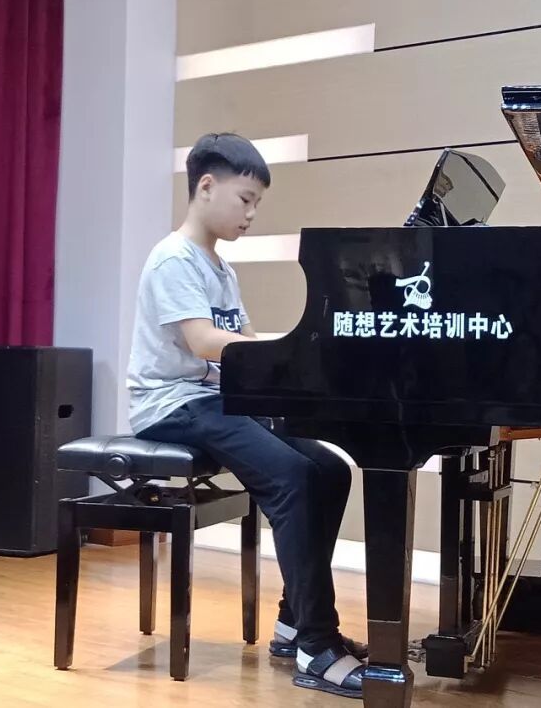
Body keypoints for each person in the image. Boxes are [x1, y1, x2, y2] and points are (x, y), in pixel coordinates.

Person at [126, 132, 367, 699]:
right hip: (171, 404)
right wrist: (280, 348)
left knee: (331, 469)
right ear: (206, 187)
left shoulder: (220, 267)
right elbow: (205, 341)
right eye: (246, 199)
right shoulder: (173, 259)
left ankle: (292, 623)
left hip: (215, 398)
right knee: (291, 477)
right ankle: (316, 645)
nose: (252, 213)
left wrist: (289, 356)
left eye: (257, 202)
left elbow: (244, 344)